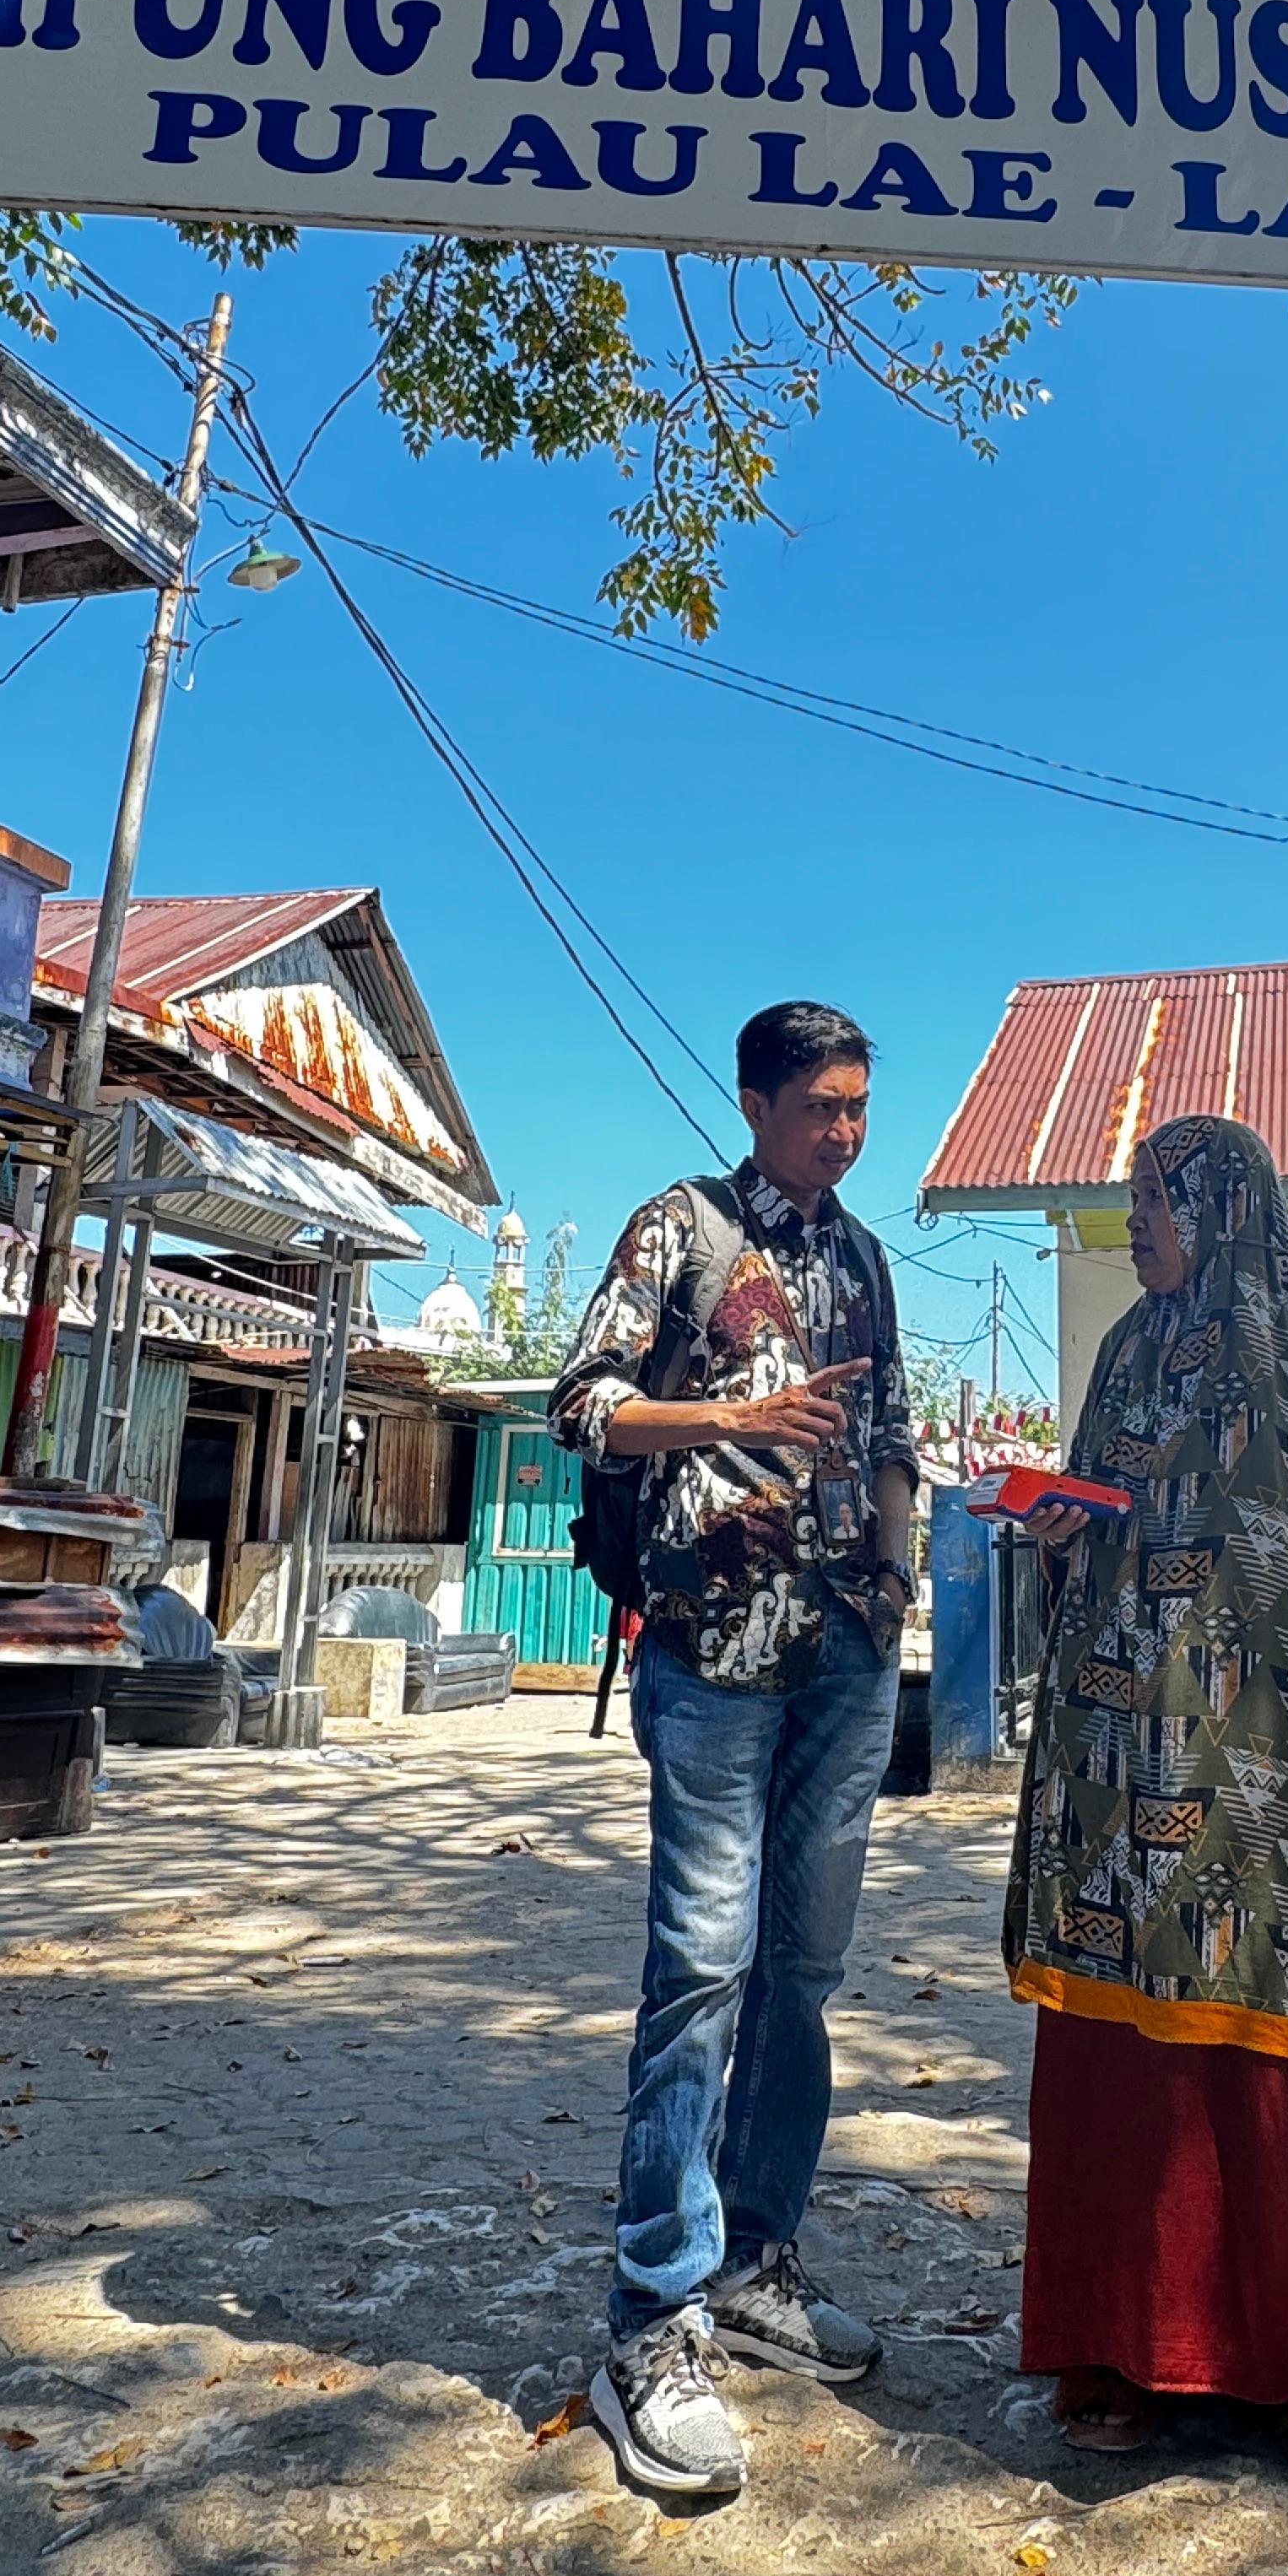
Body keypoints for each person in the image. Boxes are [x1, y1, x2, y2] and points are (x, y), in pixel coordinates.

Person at [1003, 1113, 1288, 2469]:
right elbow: (1098, 1527)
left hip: (1274, 1778)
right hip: (1124, 1785)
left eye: (1153, 1198)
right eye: (1133, 1195)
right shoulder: (1125, 1354)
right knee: (1129, 2070)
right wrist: (1057, 1537)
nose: (1136, 1219)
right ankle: (1118, 2349)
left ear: (1222, 1205)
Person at [551, 1001, 918, 2500]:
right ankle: (650, 2320)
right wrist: (730, 1415)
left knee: (804, 1970)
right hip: (713, 1655)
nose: (843, 1130)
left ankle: (759, 2258)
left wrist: (897, 1576)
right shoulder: (680, 1231)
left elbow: (893, 1434)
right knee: (698, 1966)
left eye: (858, 1106)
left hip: (843, 1654)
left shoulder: (867, 1260)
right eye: (820, 1105)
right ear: (758, 1101)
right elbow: (581, 1403)